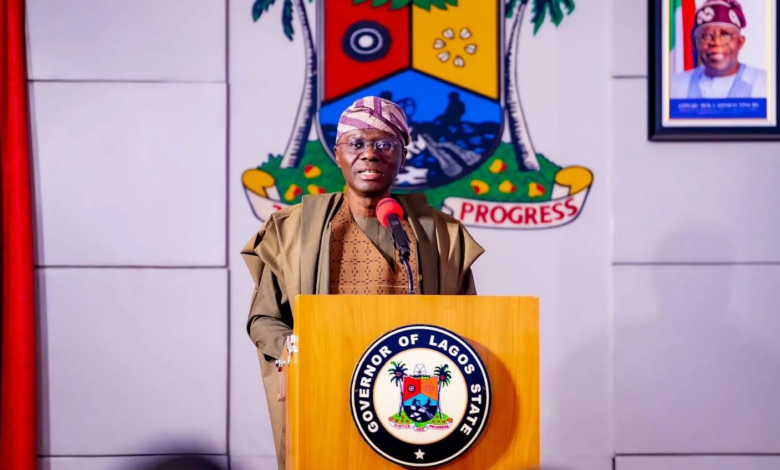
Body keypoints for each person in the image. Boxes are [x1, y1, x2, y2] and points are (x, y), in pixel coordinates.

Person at [239, 96, 484, 469]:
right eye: (356, 144)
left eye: (385, 144)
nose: (370, 154)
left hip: (409, 409)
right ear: (337, 154)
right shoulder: (294, 229)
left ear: (403, 156)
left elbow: (468, 326)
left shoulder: (441, 235)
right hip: (325, 393)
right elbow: (264, 319)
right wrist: (294, 348)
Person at [670, 0, 767, 99]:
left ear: (740, 42)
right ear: (694, 44)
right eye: (707, 36)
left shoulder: (767, 85)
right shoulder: (672, 87)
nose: (716, 42)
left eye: (726, 35)